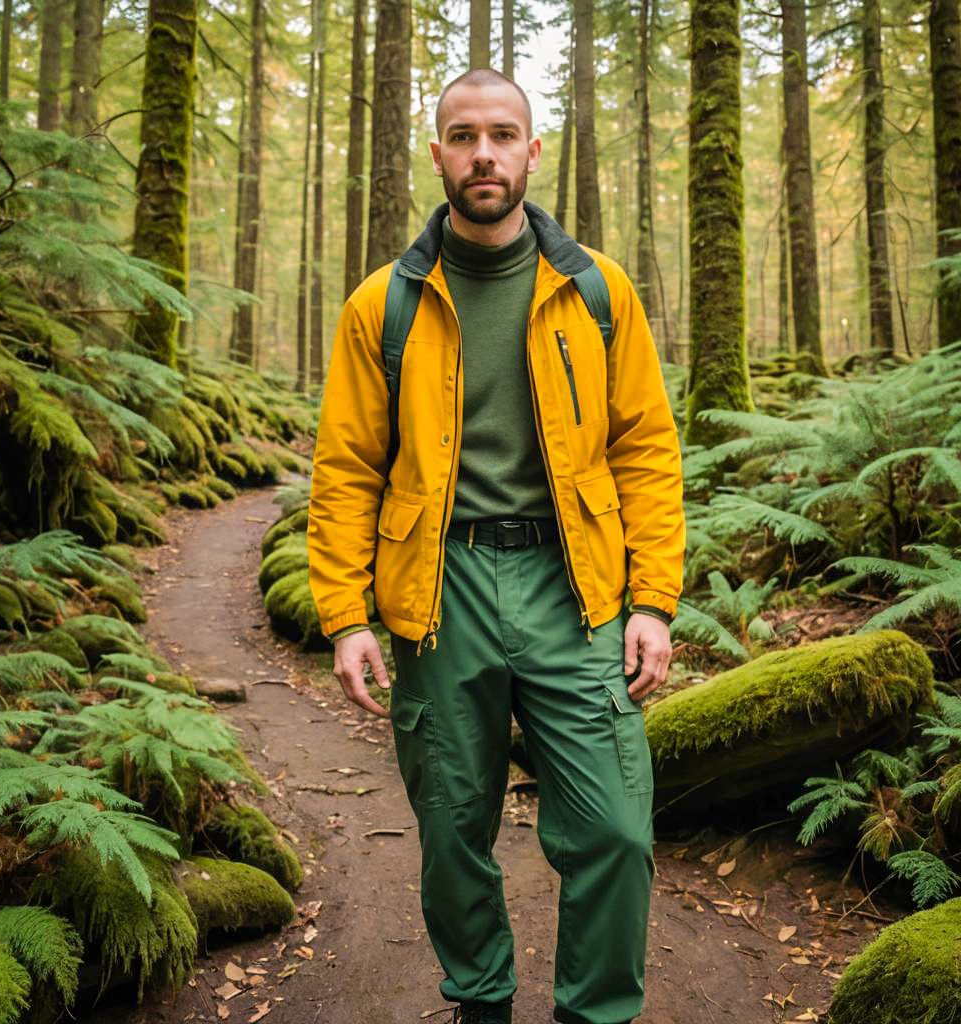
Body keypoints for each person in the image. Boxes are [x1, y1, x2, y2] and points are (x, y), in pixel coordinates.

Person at [307, 68, 685, 1024]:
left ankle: (594, 1012)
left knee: (613, 828)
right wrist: (346, 615)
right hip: (442, 590)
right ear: (436, 152)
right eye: (464, 135)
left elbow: (645, 450)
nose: (484, 153)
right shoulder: (381, 306)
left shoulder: (597, 290)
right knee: (451, 826)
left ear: (532, 151)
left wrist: (653, 601)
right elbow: (347, 469)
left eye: (503, 134)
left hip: (576, 585)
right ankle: (480, 1002)